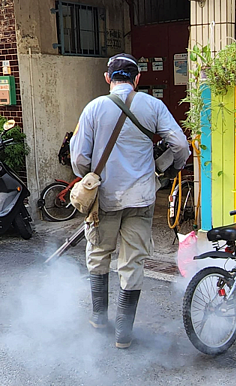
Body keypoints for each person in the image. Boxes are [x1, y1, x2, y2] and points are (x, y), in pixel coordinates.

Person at [70, 53, 190, 349]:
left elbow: (78, 158)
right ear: (137, 79)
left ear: (108, 78)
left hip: (105, 199)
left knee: (99, 255)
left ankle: (99, 319)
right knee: (133, 261)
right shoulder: (154, 106)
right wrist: (170, 166)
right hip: (141, 198)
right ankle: (124, 333)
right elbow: (181, 145)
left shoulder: (94, 108)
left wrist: (90, 176)